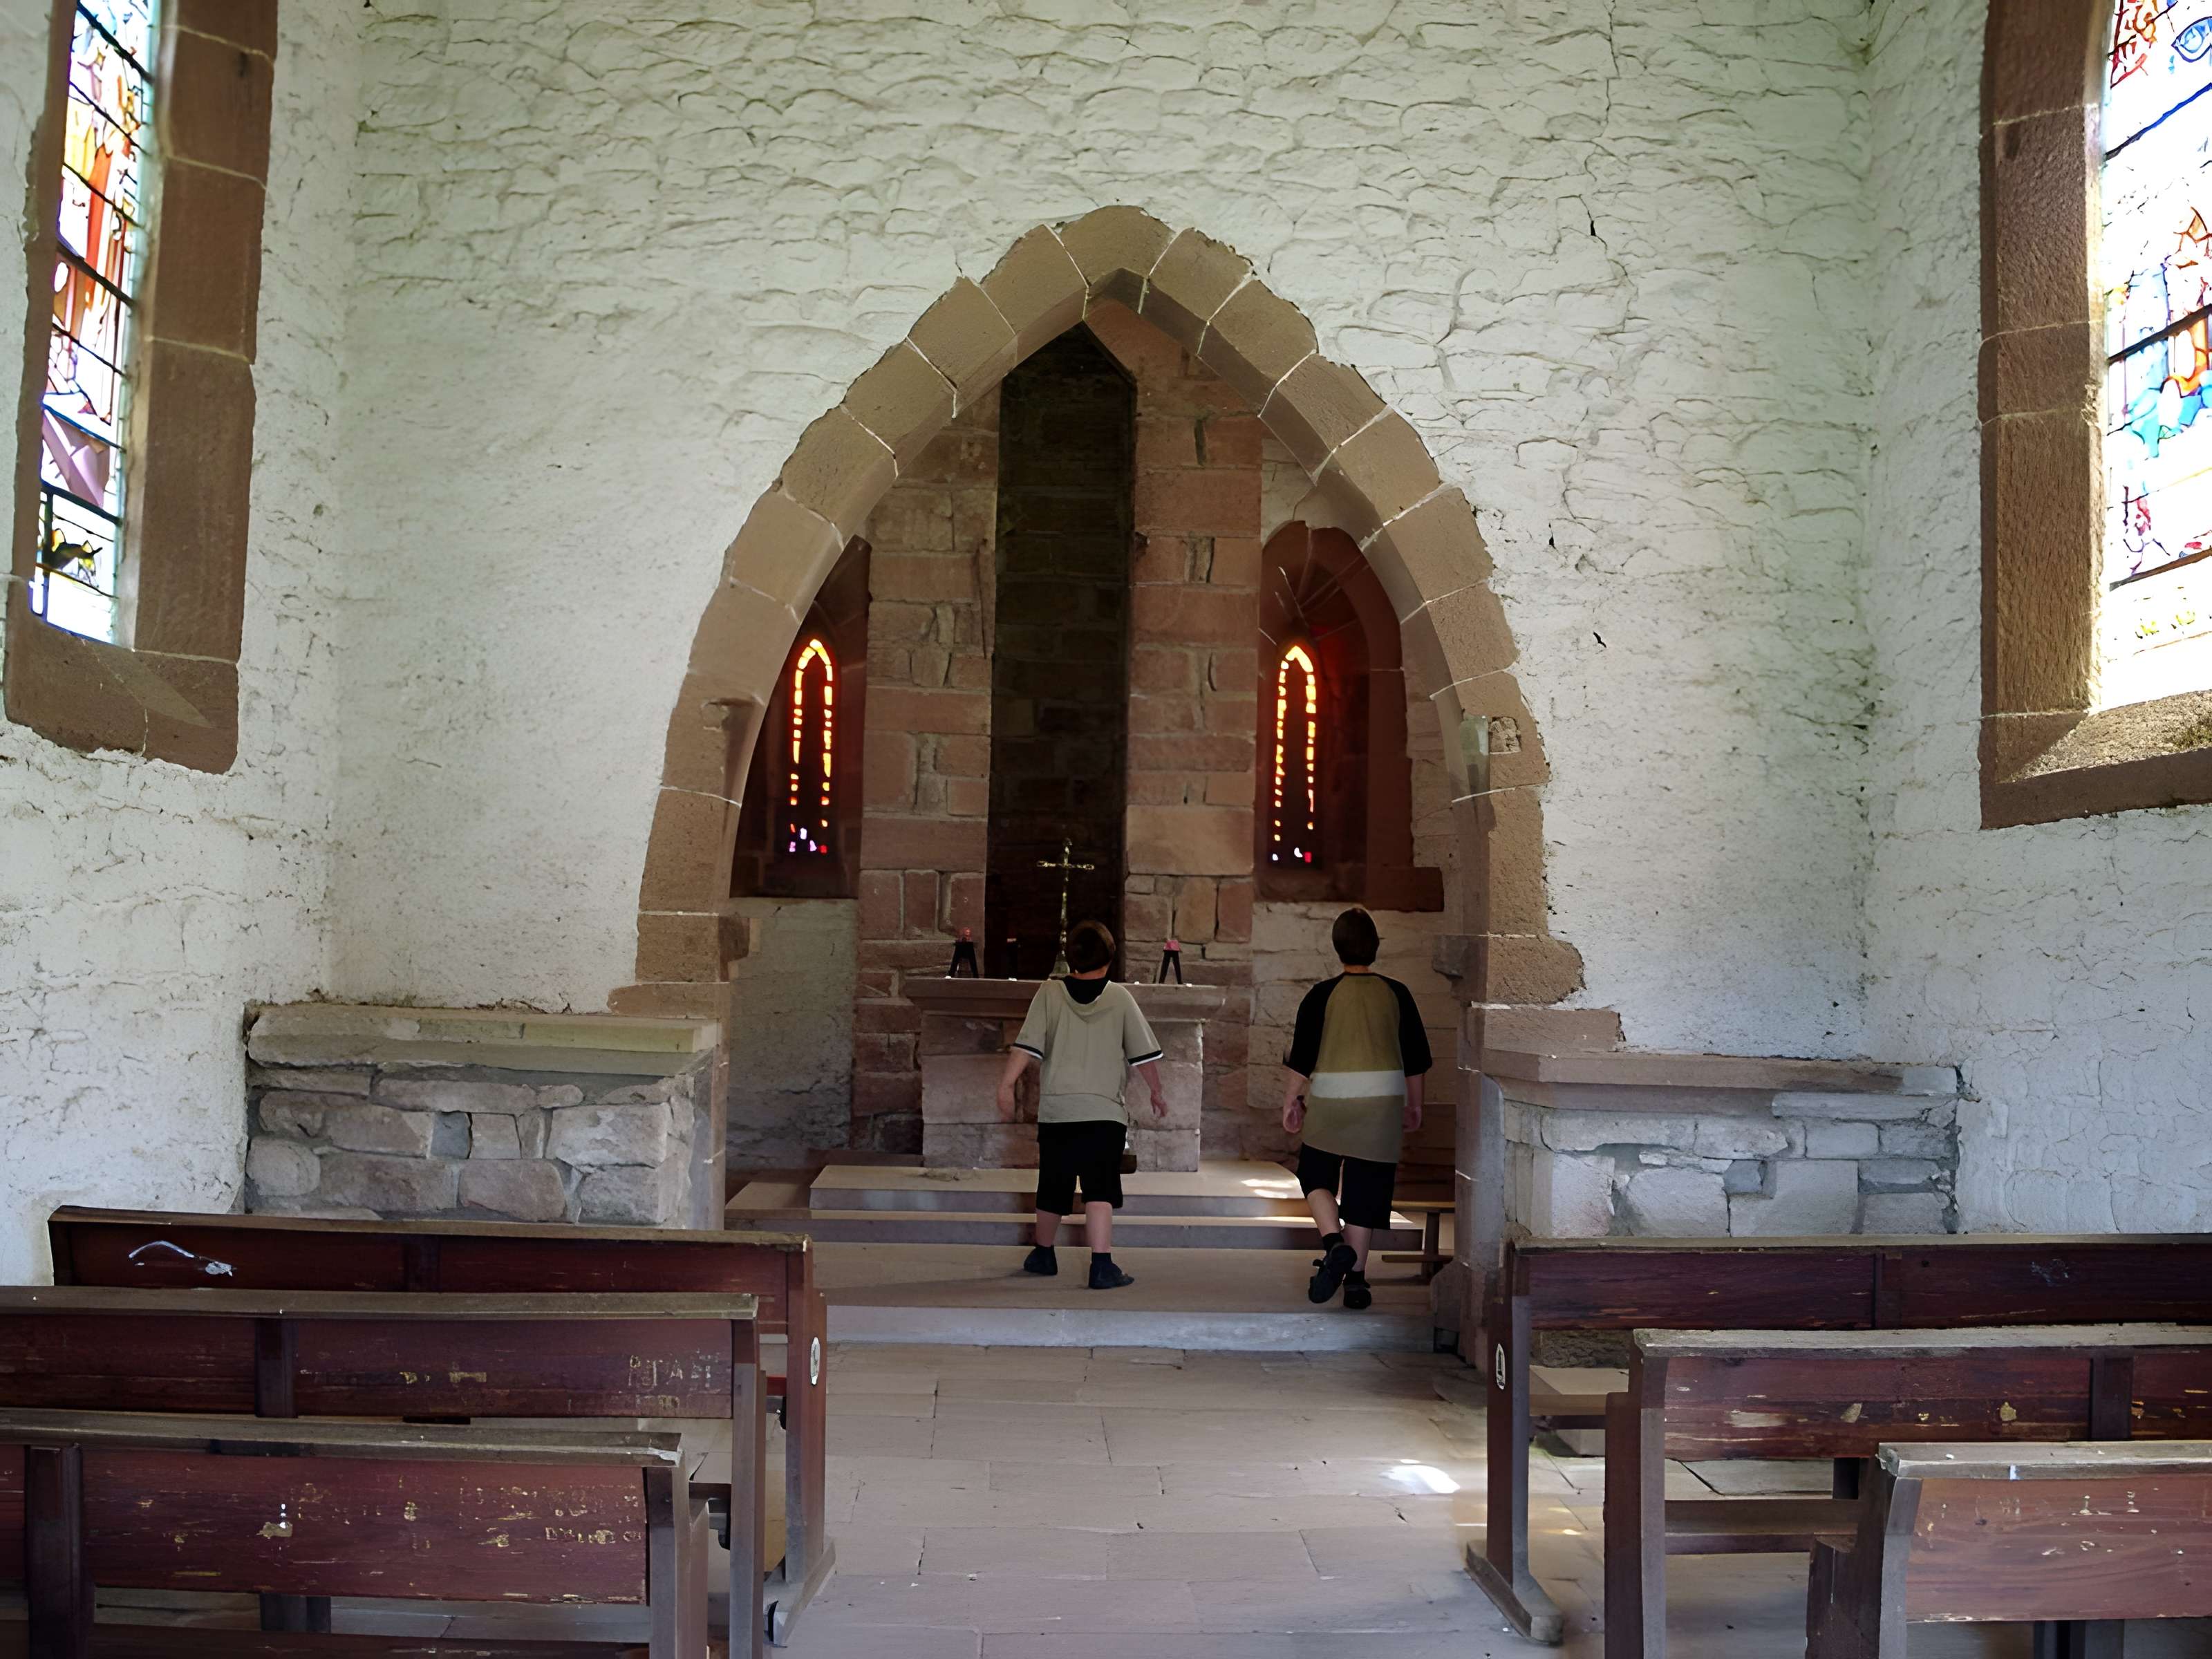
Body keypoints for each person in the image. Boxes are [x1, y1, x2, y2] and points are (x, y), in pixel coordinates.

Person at [995, 919, 1165, 1291]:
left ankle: (1043, 1254)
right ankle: (1101, 1265)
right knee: (1100, 1187)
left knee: (1052, 1184)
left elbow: (1025, 1046)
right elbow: (1144, 1056)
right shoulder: (1120, 998)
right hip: (1104, 1114)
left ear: (1070, 958)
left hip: (1059, 1111)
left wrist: (1007, 1085)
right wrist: (1157, 1091)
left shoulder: (1049, 993)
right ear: (1110, 958)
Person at [1279, 907, 1432, 1310]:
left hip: (1331, 1102)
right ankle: (1358, 1283)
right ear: (1376, 947)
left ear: (1336, 948)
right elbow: (1415, 1058)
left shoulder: (1321, 995)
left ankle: (1334, 1244)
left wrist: (1291, 1100)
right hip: (1381, 1105)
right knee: (1367, 1190)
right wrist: (1415, 1105)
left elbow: (1302, 1056)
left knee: (1314, 1174)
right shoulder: (1397, 993)